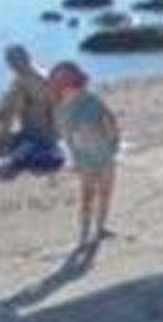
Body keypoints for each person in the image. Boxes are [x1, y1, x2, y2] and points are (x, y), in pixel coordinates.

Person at [48, 61, 120, 243]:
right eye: (61, 80)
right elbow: (66, 137)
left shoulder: (86, 101)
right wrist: (73, 158)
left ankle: (97, 229)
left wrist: (113, 145)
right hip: (88, 155)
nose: (65, 84)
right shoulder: (63, 107)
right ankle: (87, 232)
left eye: (67, 79)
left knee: (100, 193)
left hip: (100, 152)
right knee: (89, 194)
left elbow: (109, 121)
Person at [0, 44, 62, 170]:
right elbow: (8, 108)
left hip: (36, 137)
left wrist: (3, 145)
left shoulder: (25, 81)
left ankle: (20, 150)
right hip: (52, 135)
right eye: (8, 61)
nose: (10, 65)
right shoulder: (42, 73)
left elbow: (9, 115)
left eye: (10, 61)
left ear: (20, 60)